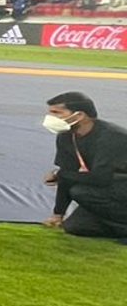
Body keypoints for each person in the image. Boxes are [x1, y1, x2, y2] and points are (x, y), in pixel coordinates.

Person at [43, 92, 127, 239]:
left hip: (118, 185)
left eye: (57, 113)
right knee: (75, 227)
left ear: (79, 115)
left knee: (81, 191)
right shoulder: (66, 136)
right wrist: (58, 214)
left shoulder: (112, 137)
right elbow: (67, 172)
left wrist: (60, 175)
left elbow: (101, 178)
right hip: (112, 190)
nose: (51, 118)